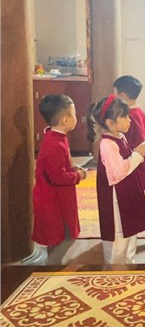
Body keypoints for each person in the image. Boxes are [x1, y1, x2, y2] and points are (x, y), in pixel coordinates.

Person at [88, 94, 145, 264]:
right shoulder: (107, 144)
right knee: (119, 238)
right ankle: (116, 269)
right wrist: (138, 155)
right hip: (116, 199)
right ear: (110, 123)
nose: (129, 120)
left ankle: (128, 263)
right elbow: (117, 173)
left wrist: (137, 153)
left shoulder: (120, 137)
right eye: (124, 117)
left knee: (130, 232)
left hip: (127, 194)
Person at [31, 94, 87, 264]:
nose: (76, 117)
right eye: (74, 113)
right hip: (55, 201)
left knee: (59, 238)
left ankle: (52, 265)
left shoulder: (56, 137)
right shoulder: (54, 144)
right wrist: (79, 175)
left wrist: (72, 168)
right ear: (65, 120)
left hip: (58, 197)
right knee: (63, 238)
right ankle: (51, 270)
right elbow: (58, 177)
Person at [113, 75, 145, 190]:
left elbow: (133, 143)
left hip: (135, 166)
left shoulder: (129, 116)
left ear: (122, 96)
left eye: (115, 94)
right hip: (141, 163)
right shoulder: (140, 112)